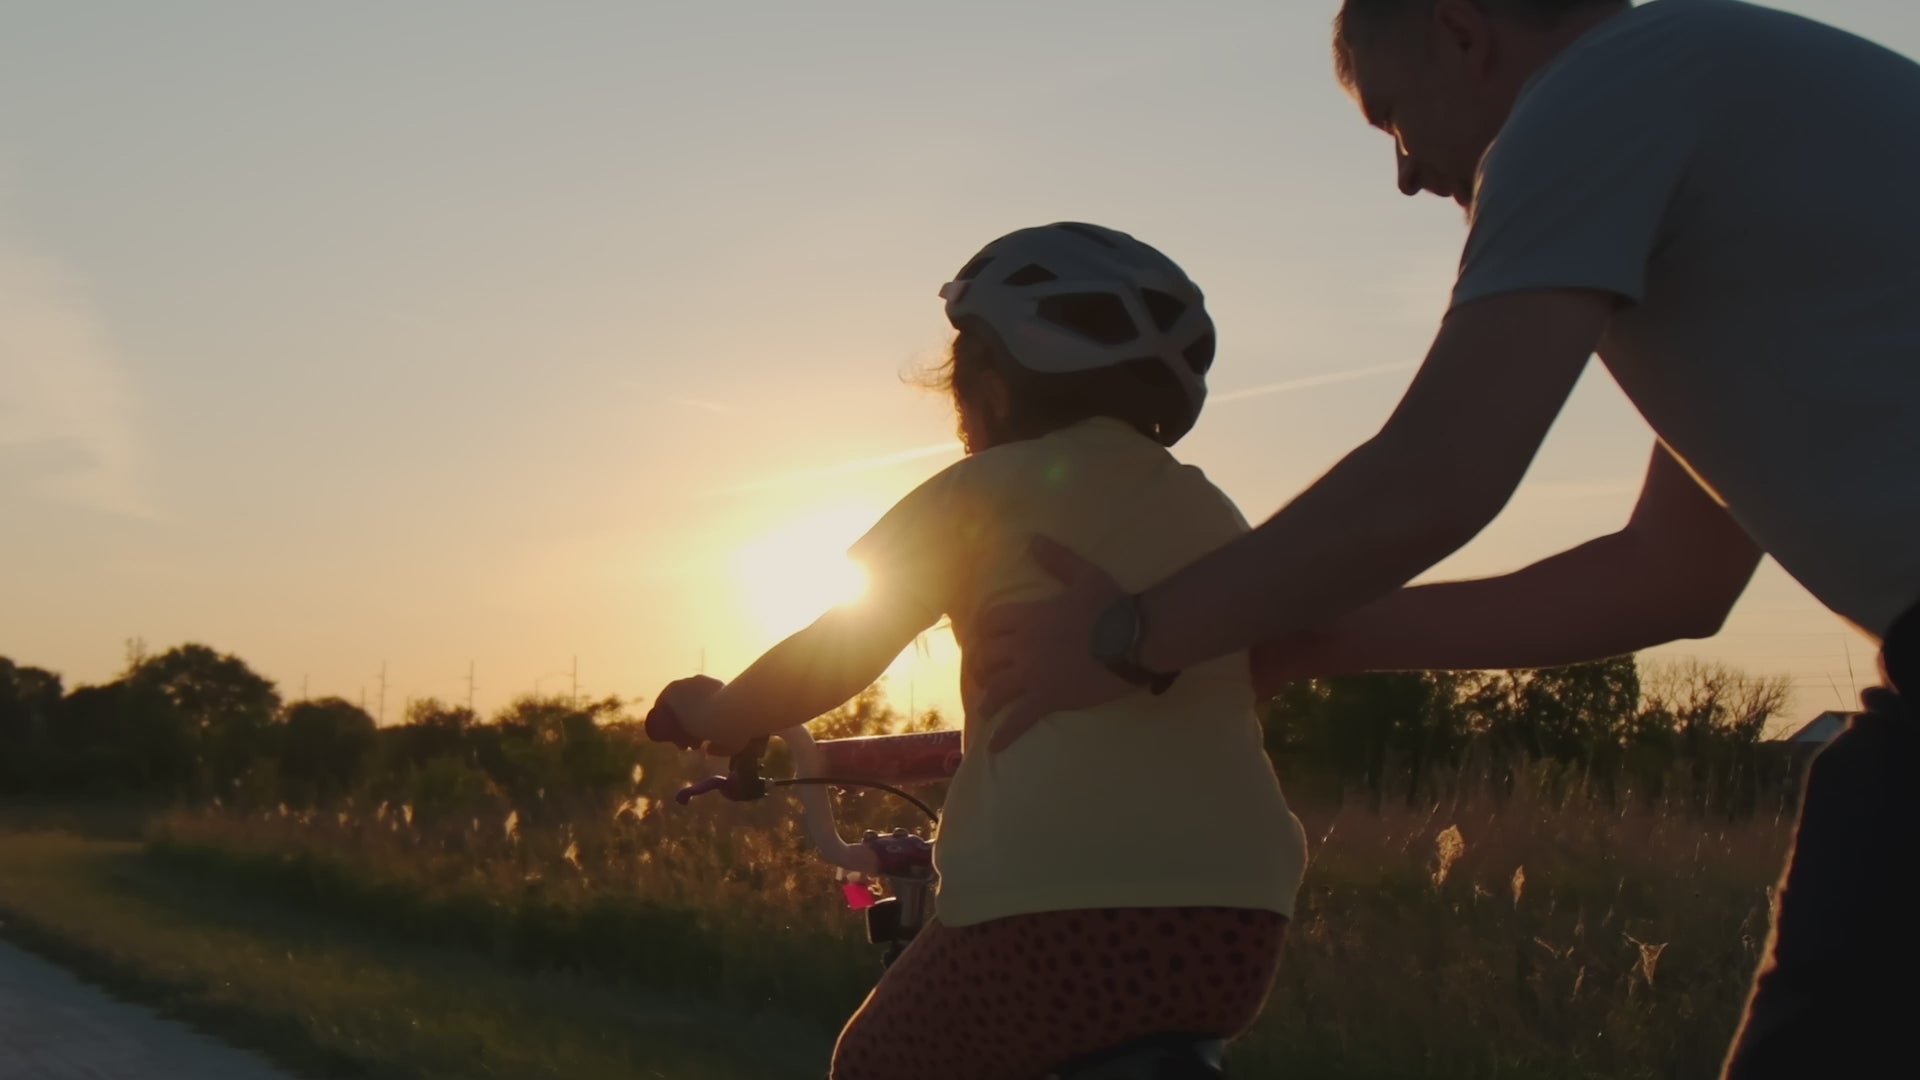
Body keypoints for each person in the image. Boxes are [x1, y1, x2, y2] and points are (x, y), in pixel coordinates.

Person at [962, 3, 1920, 1077]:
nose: (1409, 175)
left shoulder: (1598, 93)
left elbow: (1434, 476)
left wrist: (1131, 635)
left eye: (1393, 118)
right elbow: (1666, 580)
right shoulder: (1730, 111)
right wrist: (1309, 640)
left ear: (1465, 32)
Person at [644, 222, 1309, 1080]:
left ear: (989, 385)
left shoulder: (975, 492)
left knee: (873, 1062)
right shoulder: (1209, 507)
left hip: (1051, 914)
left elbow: (838, 649)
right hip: (1237, 918)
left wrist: (720, 711)